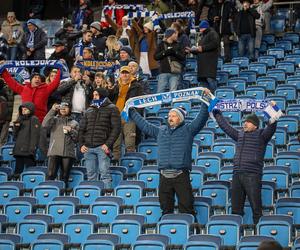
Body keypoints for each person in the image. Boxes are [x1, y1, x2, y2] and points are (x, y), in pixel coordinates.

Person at [128, 89, 210, 216]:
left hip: (181, 175)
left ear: (180, 118)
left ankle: (189, 231)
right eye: (169, 115)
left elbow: (202, 117)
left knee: (186, 207)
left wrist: (205, 100)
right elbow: (144, 125)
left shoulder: (188, 129)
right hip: (164, 175)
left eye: (174, 115)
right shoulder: (161, 130)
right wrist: (131, 111)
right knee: (166, 208)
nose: (170, 117)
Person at [212, 103, 277, 224]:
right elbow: (226, 127)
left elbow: (272, 125)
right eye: (244, 122)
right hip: (237, 175)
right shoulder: (240, 135)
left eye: (248, 122)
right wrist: (217, 113)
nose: (245, 124)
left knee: (256, 209)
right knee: (236, 210)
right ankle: (237, 235)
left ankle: (258, 235)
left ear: (256, 126)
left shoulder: (262, 135)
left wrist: (273, 108)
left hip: (252, 175)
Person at [79, 87, 121, 188]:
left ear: (102, 95)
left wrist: (107, 144)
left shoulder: (112, 108)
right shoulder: (89, 109)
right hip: (88, 148)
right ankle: (93, 199)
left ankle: (107, 198)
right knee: (90, 176)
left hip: (102, 147)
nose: (94, 97)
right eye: (93, 95)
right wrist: (81, 144)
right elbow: (81, 129)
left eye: (96, 95)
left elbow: (116, 129)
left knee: (105, 175)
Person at [109, 66, 143, 160]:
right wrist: (110, 89)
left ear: (130, 74)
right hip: (116, 116)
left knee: (130, 143)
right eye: (123, 73)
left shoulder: (136, 85)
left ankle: (130, 162)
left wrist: (136, 115)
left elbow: (140, 102)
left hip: (129, 116)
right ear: (120, 74)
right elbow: (110, 98)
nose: (124, 74)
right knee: (116, 143)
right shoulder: (116, 85)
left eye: (126, 73)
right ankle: (116, 163)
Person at [42, 102, 79, 187]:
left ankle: (62, 196)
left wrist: (71, 131)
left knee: (65, 177)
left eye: (66, 107)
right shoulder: (54, 119)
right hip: (54, 151)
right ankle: (50, 193)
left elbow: (77, 139)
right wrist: (52, 110)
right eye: (62, 107)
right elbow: (44, 124)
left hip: (68, 153)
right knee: (51, 175)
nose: (63, 109)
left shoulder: (75, 123)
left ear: (70, 109)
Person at [186, 20, 219, 93]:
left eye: (201, 28)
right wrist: (191, 50)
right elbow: (200, 50)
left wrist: (203, 48)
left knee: (211, 84)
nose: (200, 30)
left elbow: (215, 44)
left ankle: (216, 102)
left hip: (209, 65)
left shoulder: (212, 33)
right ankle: (205, 104)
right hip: (202, 67)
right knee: (203, 90)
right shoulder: (203, 36)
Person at [12, 102, 41, 177]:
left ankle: (31, 187)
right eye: (22, 109)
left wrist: (32, 149)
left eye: (25, 109)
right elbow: (15, 136)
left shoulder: (34, 119)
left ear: (30, 110)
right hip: (19, 150)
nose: (23, 111)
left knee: (31, 172)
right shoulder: (19, 119)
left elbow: (35, 136)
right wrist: (16, 127)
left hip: (28, 151)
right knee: (17, 172)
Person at [154, 28, 185, 93]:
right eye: (174, 34)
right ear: (170, 35)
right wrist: (165, 52)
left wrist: (175, 52)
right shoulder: (161, 44)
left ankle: (172, 103)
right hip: (163, 71)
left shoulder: (178, 44)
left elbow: (183, 57)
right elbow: (156, 57)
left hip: (175, 72)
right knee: (160, 91)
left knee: (173, 92)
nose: (176, 35)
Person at [0, 78, 14, 148]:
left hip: (6, 117)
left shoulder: (9, 88)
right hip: (6, 117)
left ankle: (1, 153)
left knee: (3, 139)